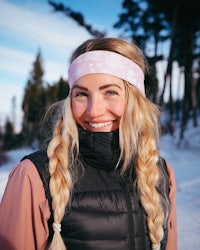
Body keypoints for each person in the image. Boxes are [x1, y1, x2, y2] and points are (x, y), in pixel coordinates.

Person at [0, 37, 177, 250]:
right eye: (81, 94)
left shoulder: (161, 172)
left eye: (110, 92)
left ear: (135, 100)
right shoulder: (34, 175)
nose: (93, 111)